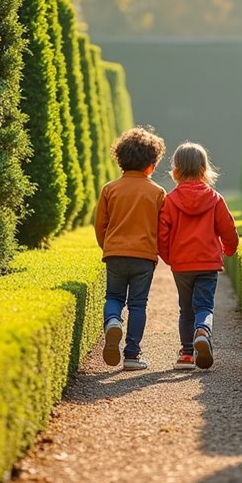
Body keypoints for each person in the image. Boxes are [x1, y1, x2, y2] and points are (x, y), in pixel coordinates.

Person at [158, 142, 239, 370]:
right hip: (208, 263)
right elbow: (229, 230)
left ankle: (186, 354)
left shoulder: (170, 200)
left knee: (185, 309)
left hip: (182, 264)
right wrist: (229, 249)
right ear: (204, 169)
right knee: (204, 306)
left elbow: (161, 234)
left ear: (175, 170)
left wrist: (169, 257)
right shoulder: (215, 199)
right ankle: (202, 331)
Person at [95, 126, 167, 371]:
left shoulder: (109, 189)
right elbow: (162, 228)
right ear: (151, 165)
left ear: (120, 160)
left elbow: (100, 225)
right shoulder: (158, 192)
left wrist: (108, 246)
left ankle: (113, 321)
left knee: (113, 297)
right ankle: (132, 355)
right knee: (138, 305)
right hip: (143, 257)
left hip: (115, 253)